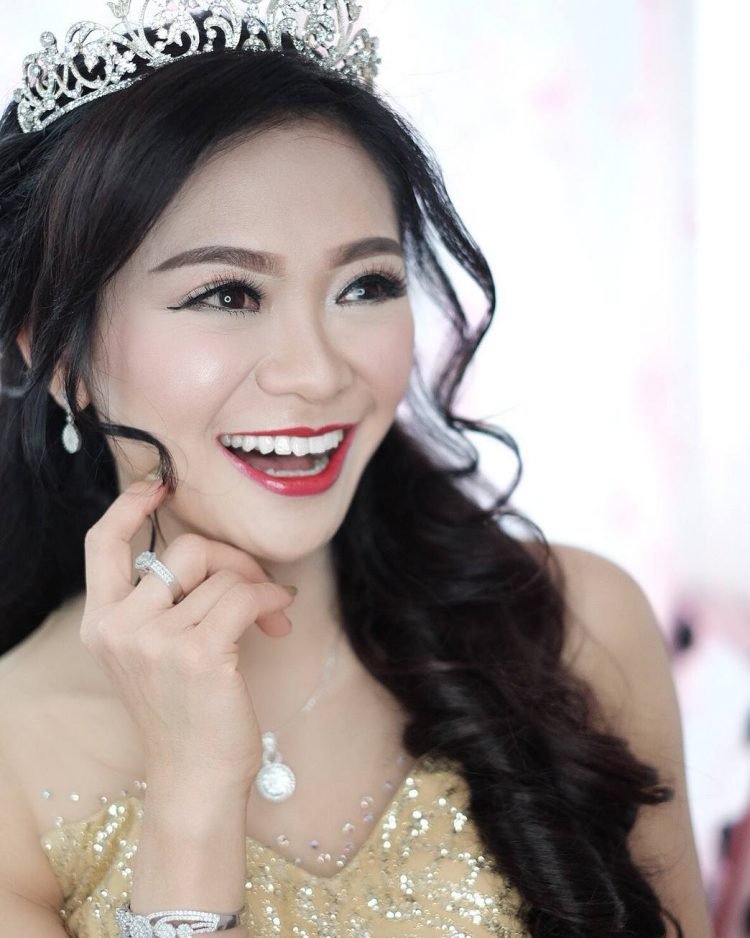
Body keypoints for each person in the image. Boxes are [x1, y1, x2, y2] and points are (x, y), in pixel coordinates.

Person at [0, 2, 710, 936]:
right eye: (227, 294)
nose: (318, 372)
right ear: (60, 357)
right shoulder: (12, 766)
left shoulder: (578, 628)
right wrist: (193, 796)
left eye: (365, 285)